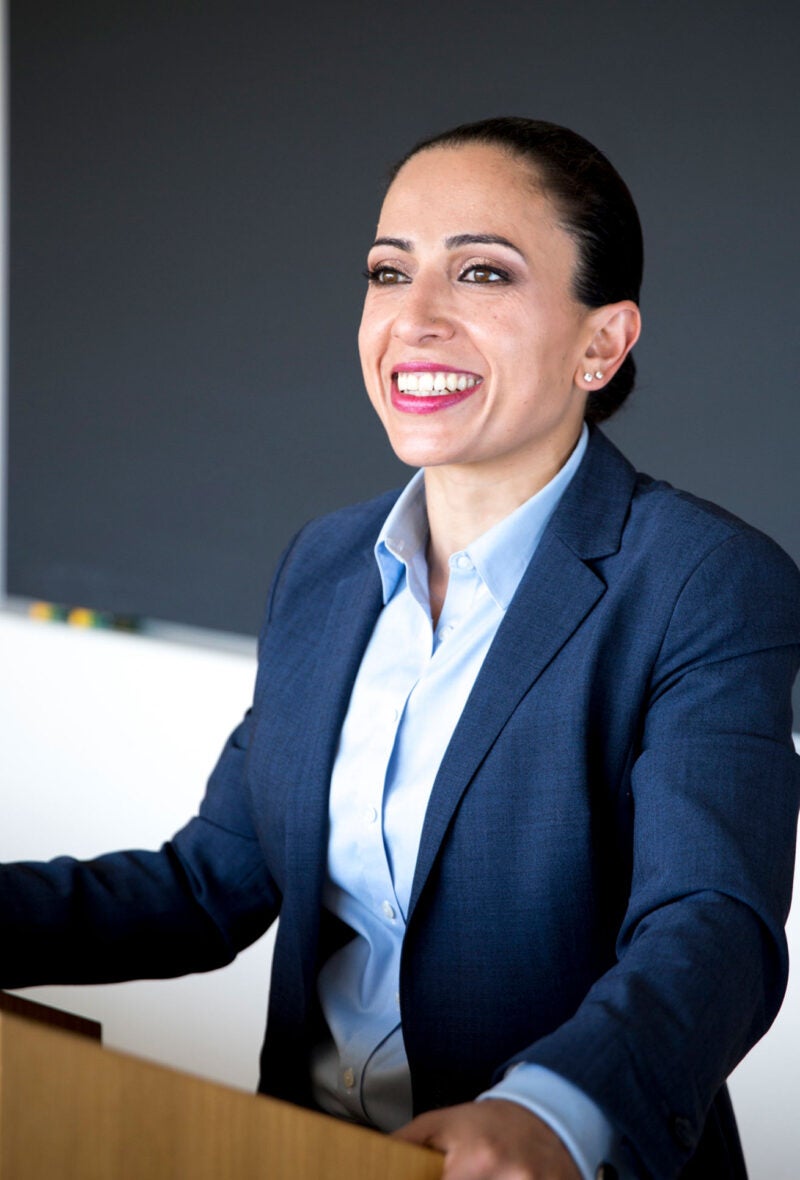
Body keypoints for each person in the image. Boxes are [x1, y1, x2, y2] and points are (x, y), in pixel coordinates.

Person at [2, 117, 799, 1180]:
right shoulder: (326, 565)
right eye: (388, 272)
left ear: (599, 344)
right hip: (299, 1152)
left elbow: (711, 926)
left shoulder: (702, 579)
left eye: (479, 272)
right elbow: (211, 882)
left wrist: (552, 1112)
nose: (412, 318)